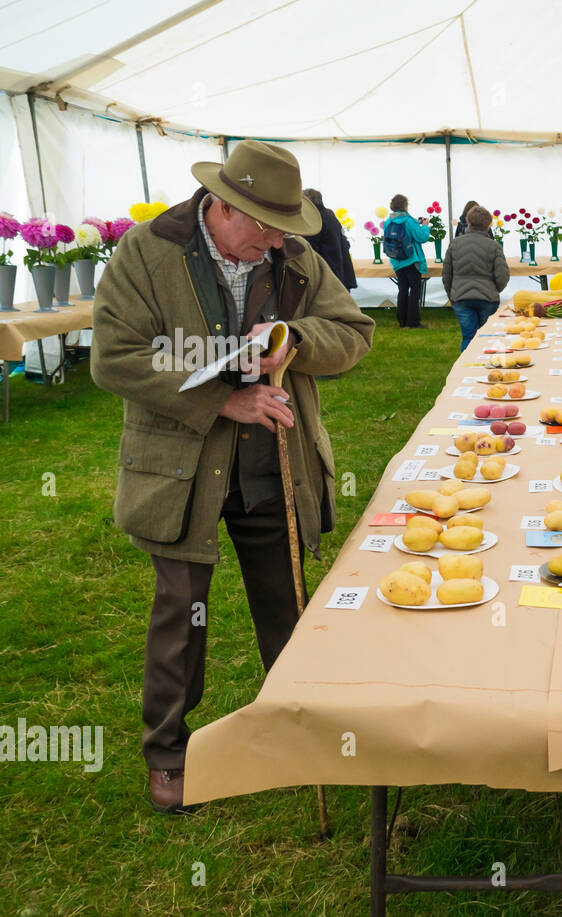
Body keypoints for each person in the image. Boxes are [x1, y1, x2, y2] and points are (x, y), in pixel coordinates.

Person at [89, 140, 375, 813]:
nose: (276, 241)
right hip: (181, 469)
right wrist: (219, 398)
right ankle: (167, 754)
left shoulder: (294, 258)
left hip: (274, 462)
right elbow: (114, 357)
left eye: (284, 227)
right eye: (264, 225)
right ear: (221, 207)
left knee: (290, 604)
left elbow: (354, 330)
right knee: (181, 618)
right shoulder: (146, 252)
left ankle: (299, 725)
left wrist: (297, 341)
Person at [443, 205, 509, 351]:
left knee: (468, 336)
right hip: (487, 298)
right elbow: (502, 276)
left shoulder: (455, 244)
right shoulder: (494, 246)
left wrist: (452, 295)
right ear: (488, 224)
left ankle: (465, 371)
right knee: (487, 337)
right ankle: (487, 368)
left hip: (461, 298)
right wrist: (494, 290)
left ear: (468, 222)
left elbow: (447, 274)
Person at [385, 194, 430, 328]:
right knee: (415, 290)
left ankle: (402, 321)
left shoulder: (389, 221)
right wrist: (426, 226)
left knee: (402, 289)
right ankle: (413, 322)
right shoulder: (408, 221)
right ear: (405, 205)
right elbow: (422, 237)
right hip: (411, 260)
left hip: (397, 260)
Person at [302, 188, 357, 290]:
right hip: (340, 274)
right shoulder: (330, 216)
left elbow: (309, 249)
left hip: (327, 276)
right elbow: (345, 243)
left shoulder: (315, 220)